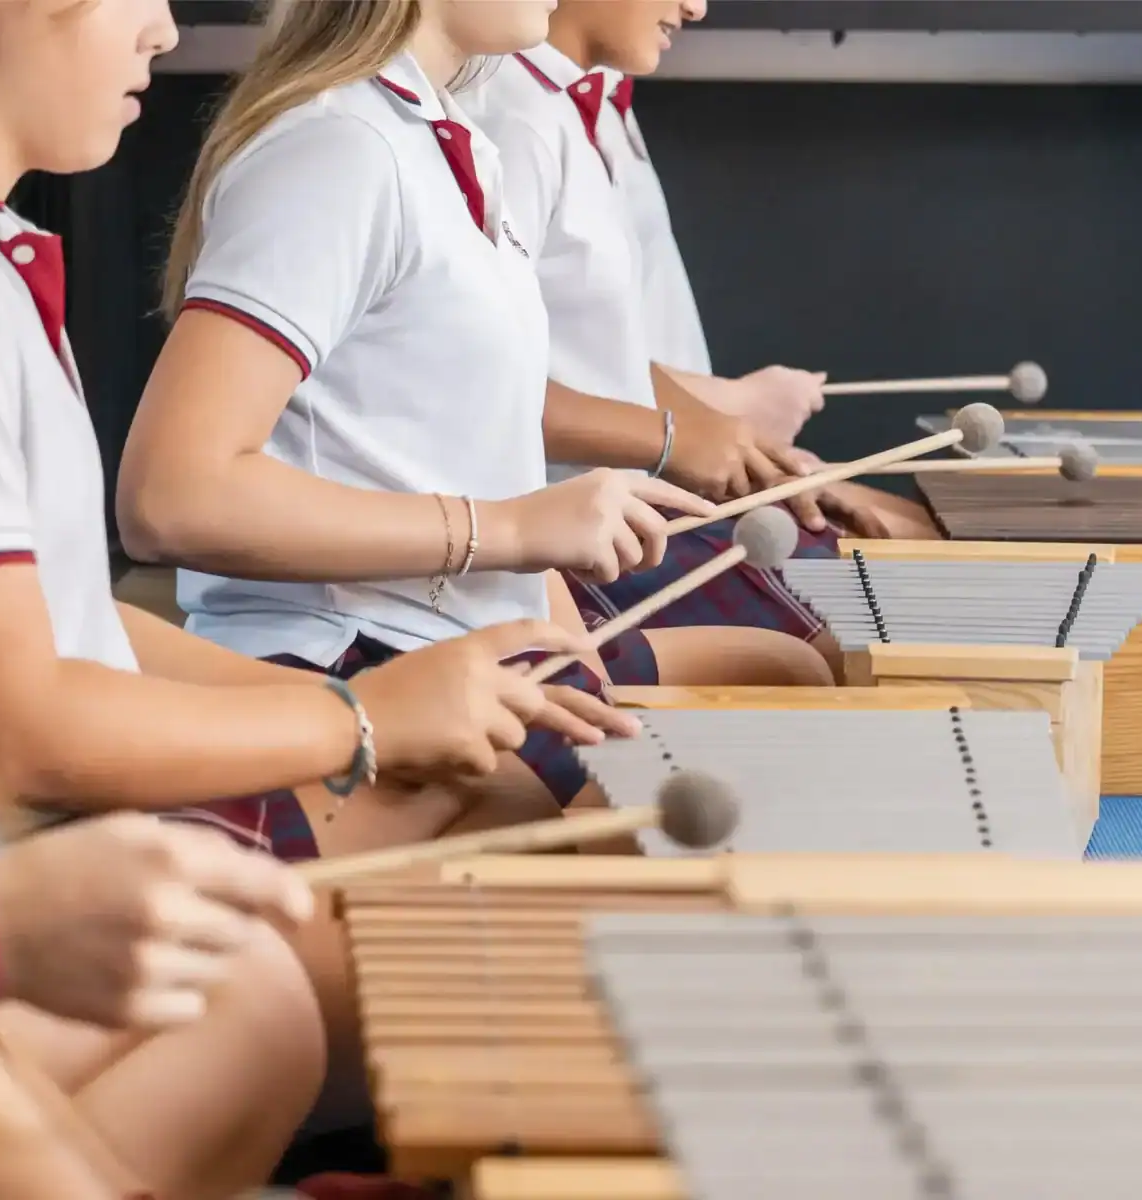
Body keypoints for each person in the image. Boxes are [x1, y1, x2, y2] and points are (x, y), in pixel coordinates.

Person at [0, 0, 643, 1154]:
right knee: (463, 985)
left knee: (577, 863)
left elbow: (53, 616)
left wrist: (374, 714)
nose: (165, 27)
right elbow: (26, 705)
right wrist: (351, 713)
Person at [119, 0, 837, 744]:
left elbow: (468, 450)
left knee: (794, 674)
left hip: (462, 638)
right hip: (353, 656)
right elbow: (172, 496)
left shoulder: (444, 136)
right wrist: (510, 529)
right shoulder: (338, 149)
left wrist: (556, 618)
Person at [455, 2, 903, 677]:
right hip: (573, 535)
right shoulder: (506, 117)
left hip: (624, 509)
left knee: (899, 577)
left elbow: (599, 361)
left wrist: (731, 445)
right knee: (866, 648)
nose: (696, 6)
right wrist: (679, 436)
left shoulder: (564, 107)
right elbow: (478, 388)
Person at [600, 68, 943, 539]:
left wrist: (735, 442)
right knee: (926, 551)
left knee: (931, 532)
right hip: (628, 503)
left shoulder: (597, 98)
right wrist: (724, 413)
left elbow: (592, 349)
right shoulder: (521, 126)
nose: (695, 8)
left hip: (679, 469)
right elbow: (546, 373)